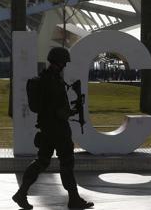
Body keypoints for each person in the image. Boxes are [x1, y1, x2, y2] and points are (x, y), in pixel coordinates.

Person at [12, 47, 94, 210]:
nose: (64, 65)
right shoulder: (52, 81)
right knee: (67, 163)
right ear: (59, 62)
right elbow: (56, 109)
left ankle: (21, 193)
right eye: (64, 62)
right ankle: (74, 199)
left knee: (41, 161)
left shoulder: (46, 78)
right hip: (58, 129)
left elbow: (48, 106)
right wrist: (71, 111)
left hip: (46, 128)